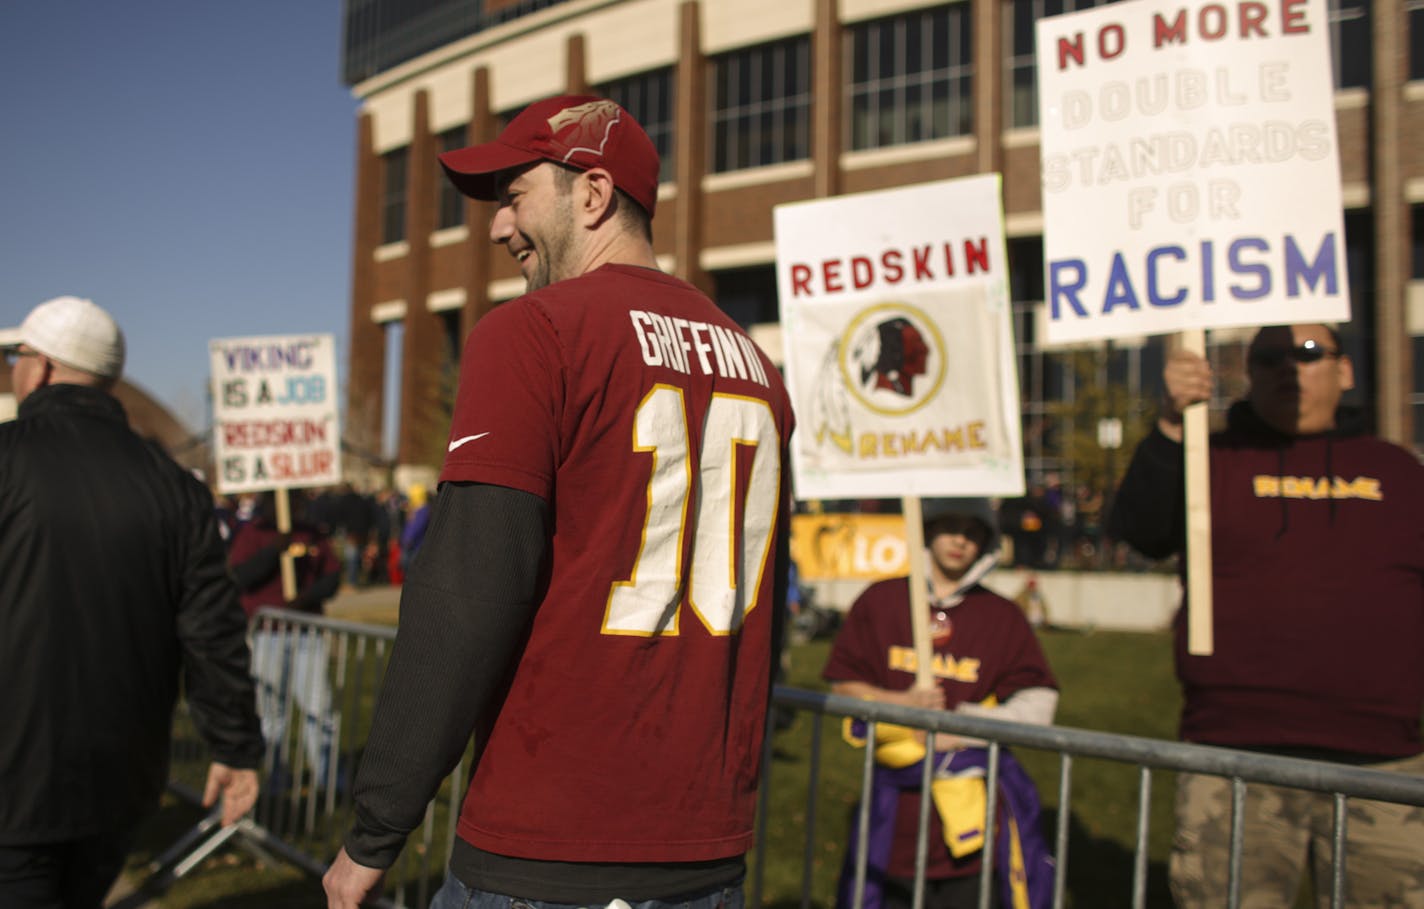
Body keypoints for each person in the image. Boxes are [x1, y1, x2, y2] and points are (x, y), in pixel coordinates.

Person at [323, 94, 795, 909]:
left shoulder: (533, 331)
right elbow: (768, 615)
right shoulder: (757, 363)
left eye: (514, 196)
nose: (500, 228)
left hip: (549, 847)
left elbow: (465, 593)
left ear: (594, 193)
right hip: (705, 851)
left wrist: (374, 831)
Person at [1107, 323, 1424, 908]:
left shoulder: (1399, 472)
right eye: (1270, 357)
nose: (1289, 368)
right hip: (1236, 754)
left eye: (1307, 353)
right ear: (1249, 374)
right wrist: (1174, 425)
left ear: (1345, 371)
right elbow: (1140, 531)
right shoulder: (1210, 457)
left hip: (1384, 762)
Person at [0, 296, 263, 906]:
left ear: (40, 368)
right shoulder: (172, 484)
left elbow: (210, 628)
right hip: (120, 780)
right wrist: (235, 746)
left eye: (17, 356)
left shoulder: (8, 457)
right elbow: (212, 631)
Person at [822, 506, 1058, 909]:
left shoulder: (1002, 616)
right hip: (891, 821)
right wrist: (903, 705)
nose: (960, 540)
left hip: (970, 835)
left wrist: (965, 726)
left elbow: (1040, 705)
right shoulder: (881, 600)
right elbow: (842, 687)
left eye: (972, 531)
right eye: (950, 527)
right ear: (928, 530)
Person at [228, 490, 343, 787]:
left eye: (296, 501)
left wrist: (306, 597)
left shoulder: (311, 534)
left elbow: (331, 575)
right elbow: (239, 576)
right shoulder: (252, 534)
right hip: (269, 635)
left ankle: (327, 776)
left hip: (307, 633)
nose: (292, 507)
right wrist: (272, 552)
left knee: (319, 707)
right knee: (270, 710)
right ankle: (274, 777)